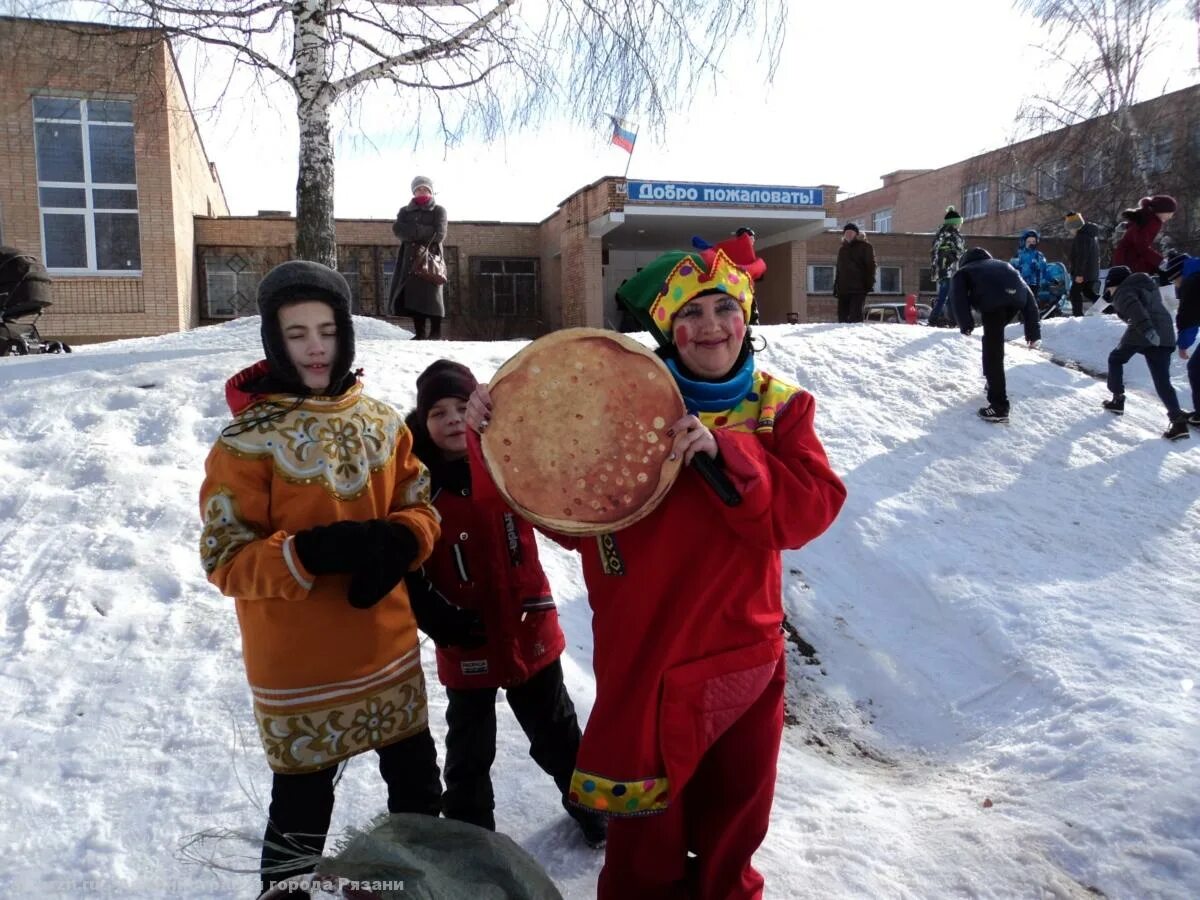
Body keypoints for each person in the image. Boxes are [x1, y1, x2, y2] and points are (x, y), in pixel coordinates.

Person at [467, 232, 847, 900]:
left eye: (724, 308)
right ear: (668, 327)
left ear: (746, 314)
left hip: (740, 657)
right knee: (645, 844)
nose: (709, 326)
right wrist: (493, 434)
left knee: (733, 831)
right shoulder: (619, 403)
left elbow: (809, 512)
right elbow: (563, 507)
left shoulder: (780, 410)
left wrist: (726, 452)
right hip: (644, 657)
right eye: (690, 314)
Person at [198, 261, 444, 898]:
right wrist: (309, 552)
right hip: (300, 671)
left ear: (347, 336)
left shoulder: (386, 424)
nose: (314, 347)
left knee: (418, 791)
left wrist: (402, 538)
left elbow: (423, 506)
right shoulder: (244, 443)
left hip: (388, 651)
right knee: (302, 812)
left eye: (328, 331)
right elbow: (226, 559)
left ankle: (412, 885)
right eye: (297, 331)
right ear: (274, 340)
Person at [402, 359, 607, 848]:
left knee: (557, 732)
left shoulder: (508, 463)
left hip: (529, 629)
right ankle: (473, 837)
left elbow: (561, 496)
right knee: (469, 750)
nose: (453, 419)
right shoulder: (416, 488)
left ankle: (591, 809)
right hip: (466, 638)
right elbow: (410, 570)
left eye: (461, 407)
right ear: (423, 423)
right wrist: (438, 617)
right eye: (438, 412)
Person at [1099, 264, 1190, 441]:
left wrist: (1148, 330)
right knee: (1162, 380)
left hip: (1143, 331)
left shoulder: (1124, 292)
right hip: (1165, 335)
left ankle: (1118, 399)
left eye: (1109, 286)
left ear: (1114, 283)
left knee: (1116, 358)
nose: (1109, 290)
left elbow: (1135, 310)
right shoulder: (1145, 286)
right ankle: (1179, 423)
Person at [950, 247, 1040, 423]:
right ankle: (992, 383)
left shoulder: (965, 270)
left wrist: (965, 324)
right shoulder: (1005, 266)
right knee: (992, 344)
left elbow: (957, 296)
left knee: (993, 352)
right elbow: (1030, 300)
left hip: (993, 304)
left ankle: (999, 407)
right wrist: (1033, 332)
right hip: (1015, 301)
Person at [388, 175, 448, 339]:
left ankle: (435, 332)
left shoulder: (439, 210)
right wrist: (424, 230)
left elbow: (439, 234)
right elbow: (398, 230)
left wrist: (413, 230)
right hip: (410, 258)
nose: (422, 191)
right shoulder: (404, 211)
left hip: (431, 258)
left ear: (431, 191)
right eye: (419, 189)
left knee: (433, 296)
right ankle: (420, 332)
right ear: (414, 192)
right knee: (413, 296)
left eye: (425, 189)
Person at [1166, 254, 1200, 429]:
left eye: (1174, 281)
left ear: (1179, 275)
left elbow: (1188, 317)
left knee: (1196, 368)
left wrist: (1183, 345)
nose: (1175, 285)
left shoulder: (1192, 282)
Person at [1111, 194, 1176, 275]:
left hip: (1127, 257)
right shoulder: (1152, 222)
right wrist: (1161, 262)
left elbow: (1136, 231)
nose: (1170, 217)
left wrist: (1127, 226)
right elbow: (1142, 247)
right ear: (1161, 210)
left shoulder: (1147, 216)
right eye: (1170, 213)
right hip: (1129, 260)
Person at [929, 206, 966, 327]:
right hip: (948, 268)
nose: (960, 225)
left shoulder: (950, 232)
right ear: (954, 222)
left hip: (951, 269)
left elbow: (959, 251)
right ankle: (934, 319)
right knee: (945, 295)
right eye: (958, 223)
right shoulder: (947, 232)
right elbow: (936, 248)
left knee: (950, 296)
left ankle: (951, 320)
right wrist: (946, 256)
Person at [833, 222, 877, 323]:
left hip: (858, 289)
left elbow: (871, 266)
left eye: (851, 232)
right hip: (843, 289)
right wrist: (836, 286)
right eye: (846, 233)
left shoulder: (865, 247)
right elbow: (839, 269)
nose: (848, 234)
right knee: (842, 318)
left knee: (855, 317)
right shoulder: (842, 249)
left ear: (856, 234)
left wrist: (869, 284)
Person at [1064, 211, 1100, 317]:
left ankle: (1077, 315)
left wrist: (1079, 274)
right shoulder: (1090, 236)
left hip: (1083, 273)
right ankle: (1109, 308)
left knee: (1074, 293)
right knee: (1088, 292)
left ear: (1074, 227)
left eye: (1070, 229)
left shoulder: (1081, 237)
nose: (1070, 232)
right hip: (1091, 272)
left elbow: (1081, 257)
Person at [1009, 228, 1049, 300]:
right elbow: (1012, 268)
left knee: (1033, 303)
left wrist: (1051, 279)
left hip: (1035, 285)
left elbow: (1045, 269)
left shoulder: (1039, 255)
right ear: (1024, 242)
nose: (1031, 243)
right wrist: (1025, 268)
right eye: (1029, 241)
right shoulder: (1018, 255)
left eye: (1033, 241)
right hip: (1022, 284)